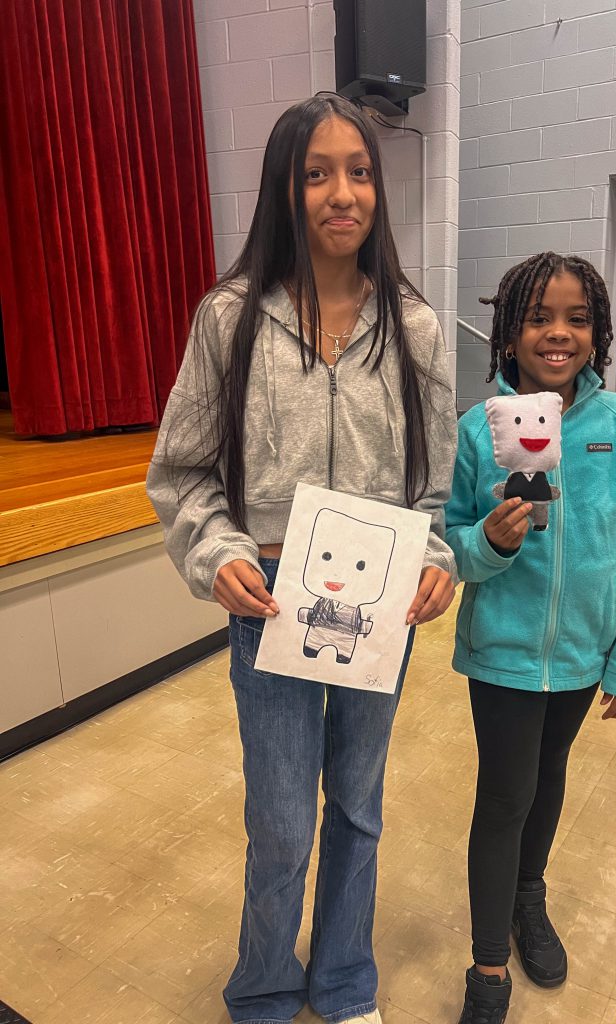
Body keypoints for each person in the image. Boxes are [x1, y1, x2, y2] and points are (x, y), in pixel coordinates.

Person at [146, 94, 457, 1024]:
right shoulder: (229, 319)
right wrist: (217, 554)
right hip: (274, 603)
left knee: (358, 807)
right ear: (285, 187)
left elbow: (434, 487)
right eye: (317, 172)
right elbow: (184, 472)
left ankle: (344, 980)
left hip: (380, 606)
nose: (341, 192)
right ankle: (267, 988)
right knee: (281, 822)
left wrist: (437, 556)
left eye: (359, 171)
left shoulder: (417, 331)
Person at [445, 253, 616, 1024]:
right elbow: (450, 544)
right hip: (503, 656)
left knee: (546, 784)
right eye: (539, 317)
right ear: (508, 335)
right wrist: (493, 542)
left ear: (597, 333)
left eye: (577, 319)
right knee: (505, 796)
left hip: (583, 653)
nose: (558, 333)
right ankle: (487, 969)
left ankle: (528, 899)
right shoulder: (480, 431)